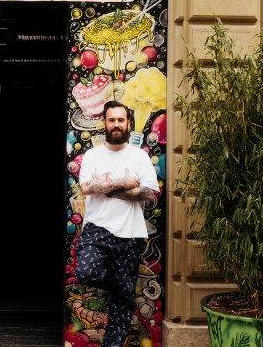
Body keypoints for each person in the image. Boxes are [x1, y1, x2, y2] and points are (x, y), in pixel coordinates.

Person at [76, 100, 159, 347]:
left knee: (124, 296)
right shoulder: (92, 155)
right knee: (86, 271)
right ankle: (116, 280)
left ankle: (112, 344)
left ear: (128, 123)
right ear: (104, 123)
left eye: (120, 120)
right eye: (111, 120)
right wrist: (125, 182)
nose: (116, 125)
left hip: (129, 235)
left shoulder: (139, 156)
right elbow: (86, 187)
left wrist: (109, 186)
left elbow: (150, 193)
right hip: (97, 229)